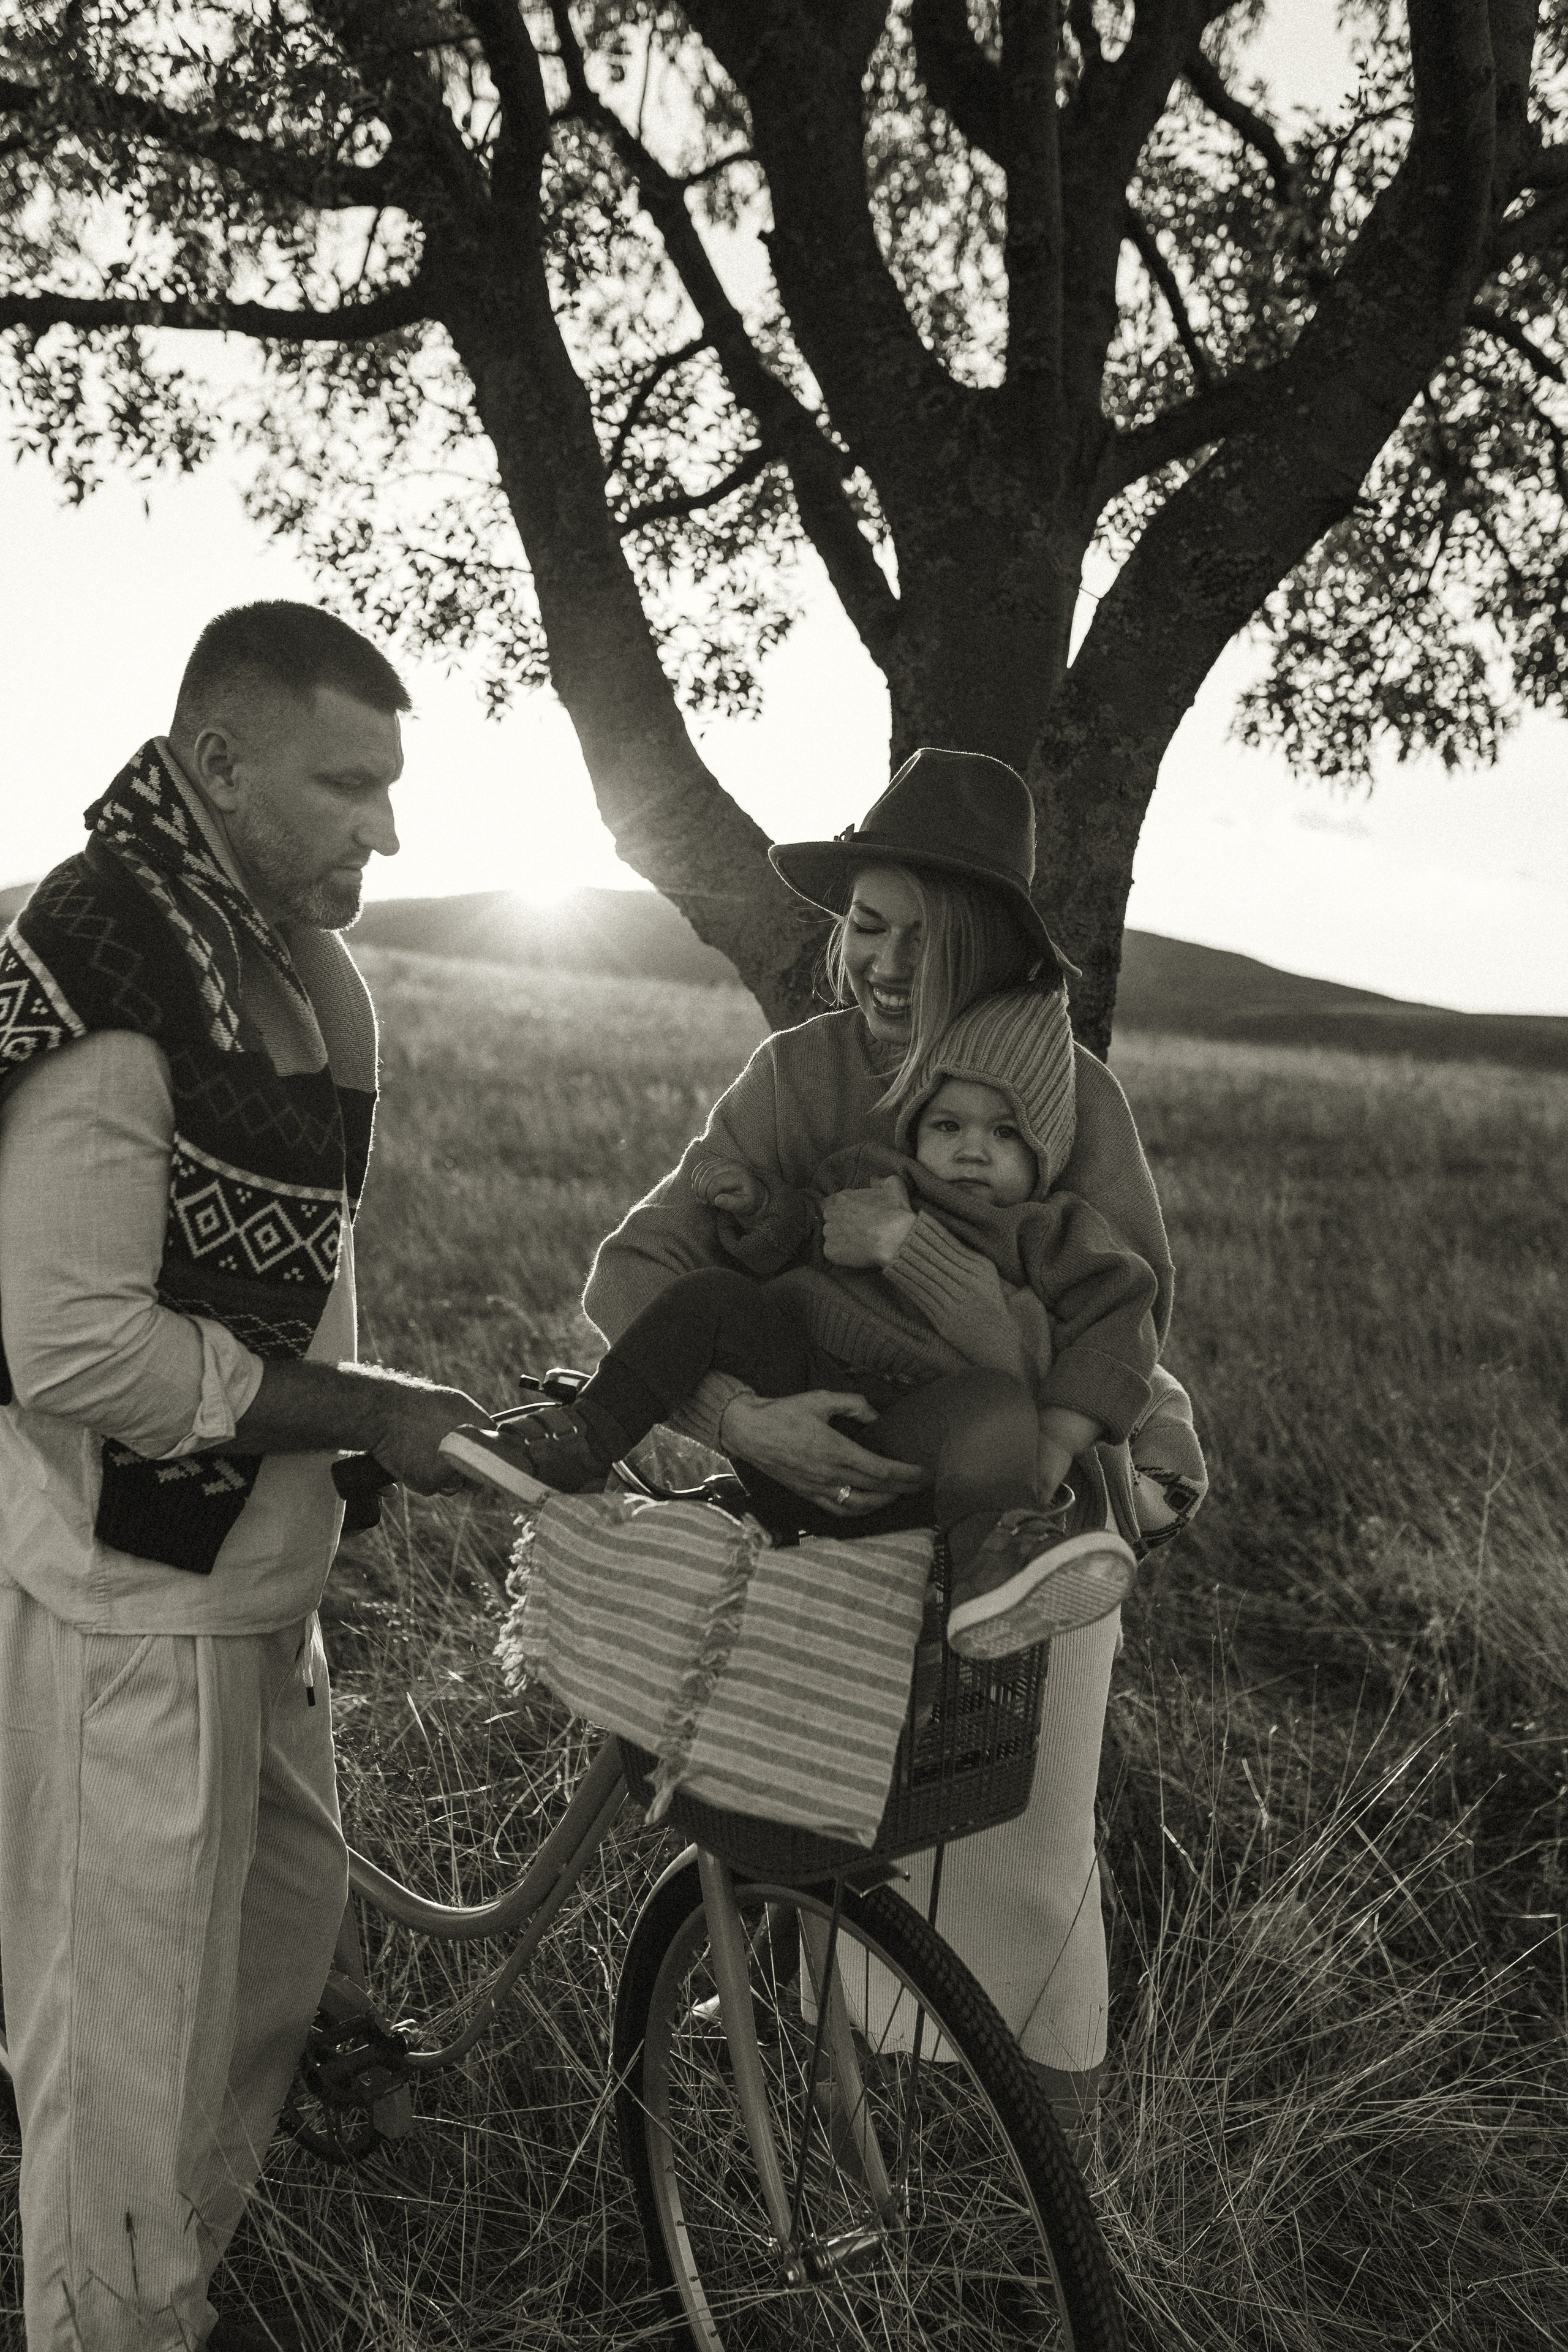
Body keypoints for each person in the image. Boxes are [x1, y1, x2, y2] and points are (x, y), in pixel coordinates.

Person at [576, 745, 1207, 2157]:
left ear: (987, 951)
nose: (880, 961)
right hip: (827, 1538)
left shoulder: (1065, 1097)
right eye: (866, 923)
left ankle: (1060, 2200)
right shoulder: (795, 1075)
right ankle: (832, 2172)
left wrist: (956, 1298)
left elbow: (1120, 1318)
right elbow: (636, 1277)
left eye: (925, 938)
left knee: (1028, 1876)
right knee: (817, 1844)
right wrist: (739, 1421)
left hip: (1018, 1545)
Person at [0, 602, 492, 2352]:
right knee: (121, 2071)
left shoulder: (274, 955)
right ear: (217, 760)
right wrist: (364, 1406)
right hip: (137, 1612)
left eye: (390, 786)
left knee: (260, 1999)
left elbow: (274, 1283)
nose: (386, 828)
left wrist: (357, 1427)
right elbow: (70, 1350)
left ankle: (152, 2305)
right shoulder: (114, 963)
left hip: (260, 1591)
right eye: (346, 783)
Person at [451, 979, 1159, 1659]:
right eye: (947, 1125)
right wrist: (760, 1211)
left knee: (995, 1406)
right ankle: (583, 1439)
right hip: (798, 1404)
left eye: (1005, 1133)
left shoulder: (1051, 1230)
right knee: (710, 1298)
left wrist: (1057, 1440)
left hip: (911, 1448)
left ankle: (991, 1570)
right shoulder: (874, 1175)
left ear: (1044, 1151)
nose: (971, 1149)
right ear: (915, 1128)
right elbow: (802, 1237)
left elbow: (1119, 1316)